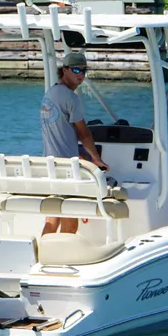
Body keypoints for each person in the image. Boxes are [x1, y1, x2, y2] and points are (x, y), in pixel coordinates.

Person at [40, 52, 109, 235]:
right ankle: (62, 260)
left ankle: (47, 254)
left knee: (53, 217)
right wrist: (96, 159)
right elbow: (83, 133)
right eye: (77, 70)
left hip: (50, 164)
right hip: (67, 168)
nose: (81, 75)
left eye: (84, 70)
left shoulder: (50, 93)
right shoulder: (72, 99)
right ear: (65, 70)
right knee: (71, 220)